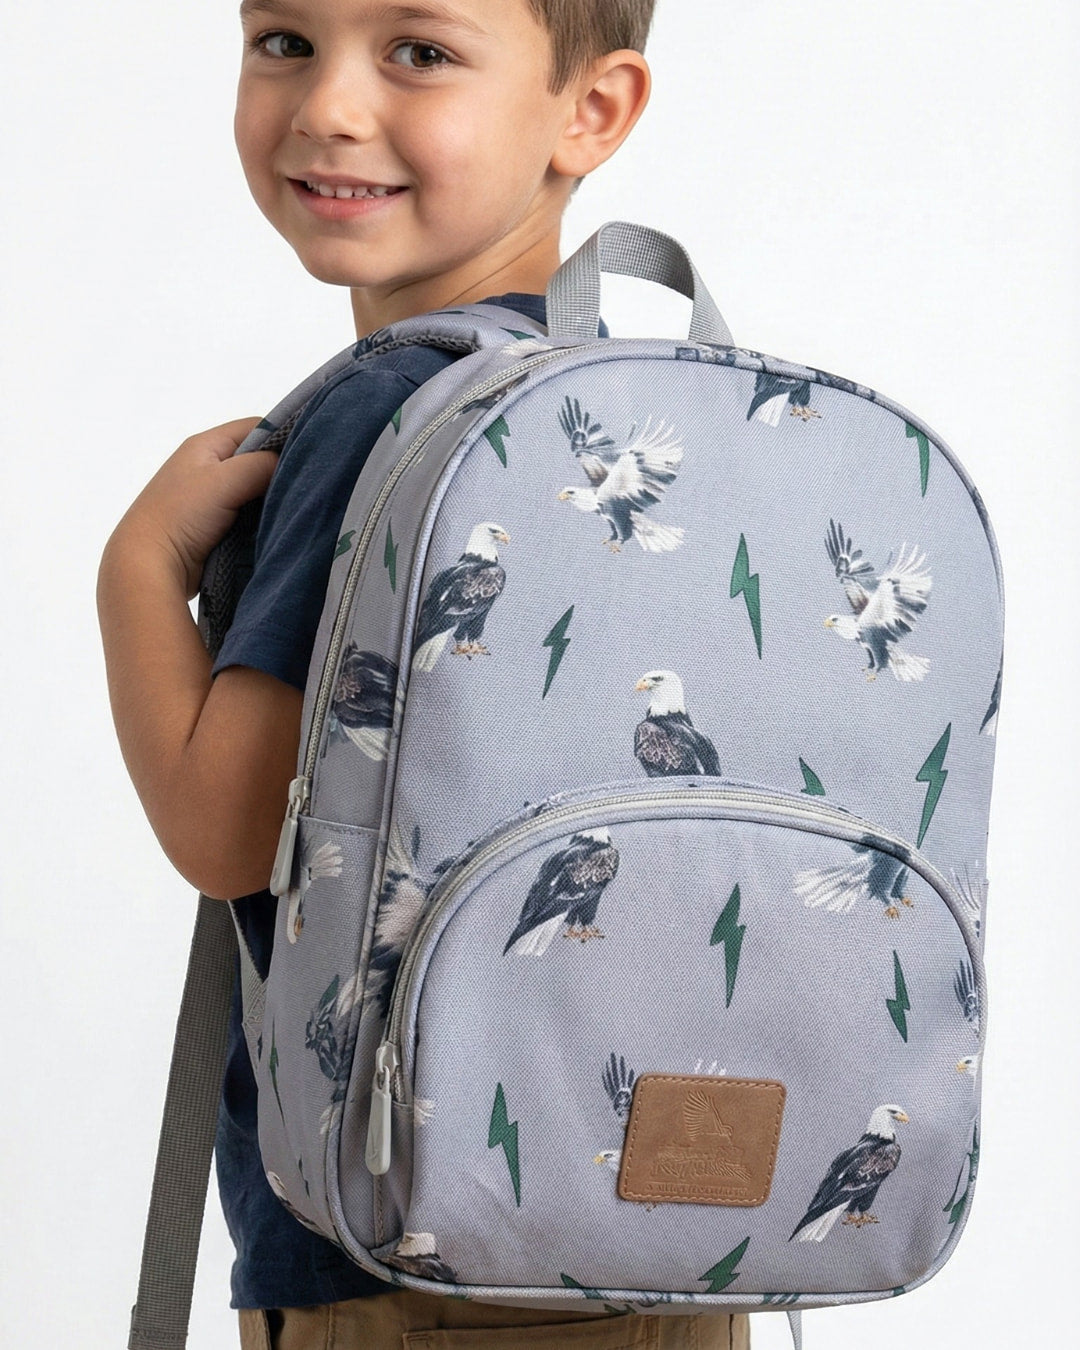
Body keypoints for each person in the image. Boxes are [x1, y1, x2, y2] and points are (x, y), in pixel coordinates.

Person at [97, 1, 750, 1346]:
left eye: (419, 50)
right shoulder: (670, 425)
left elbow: (224, 830)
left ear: (596, 110)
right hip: (688, 1239)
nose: (331, 104)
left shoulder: (371, 414)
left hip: (398, 1269)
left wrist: (136, 569)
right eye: (283, 39)